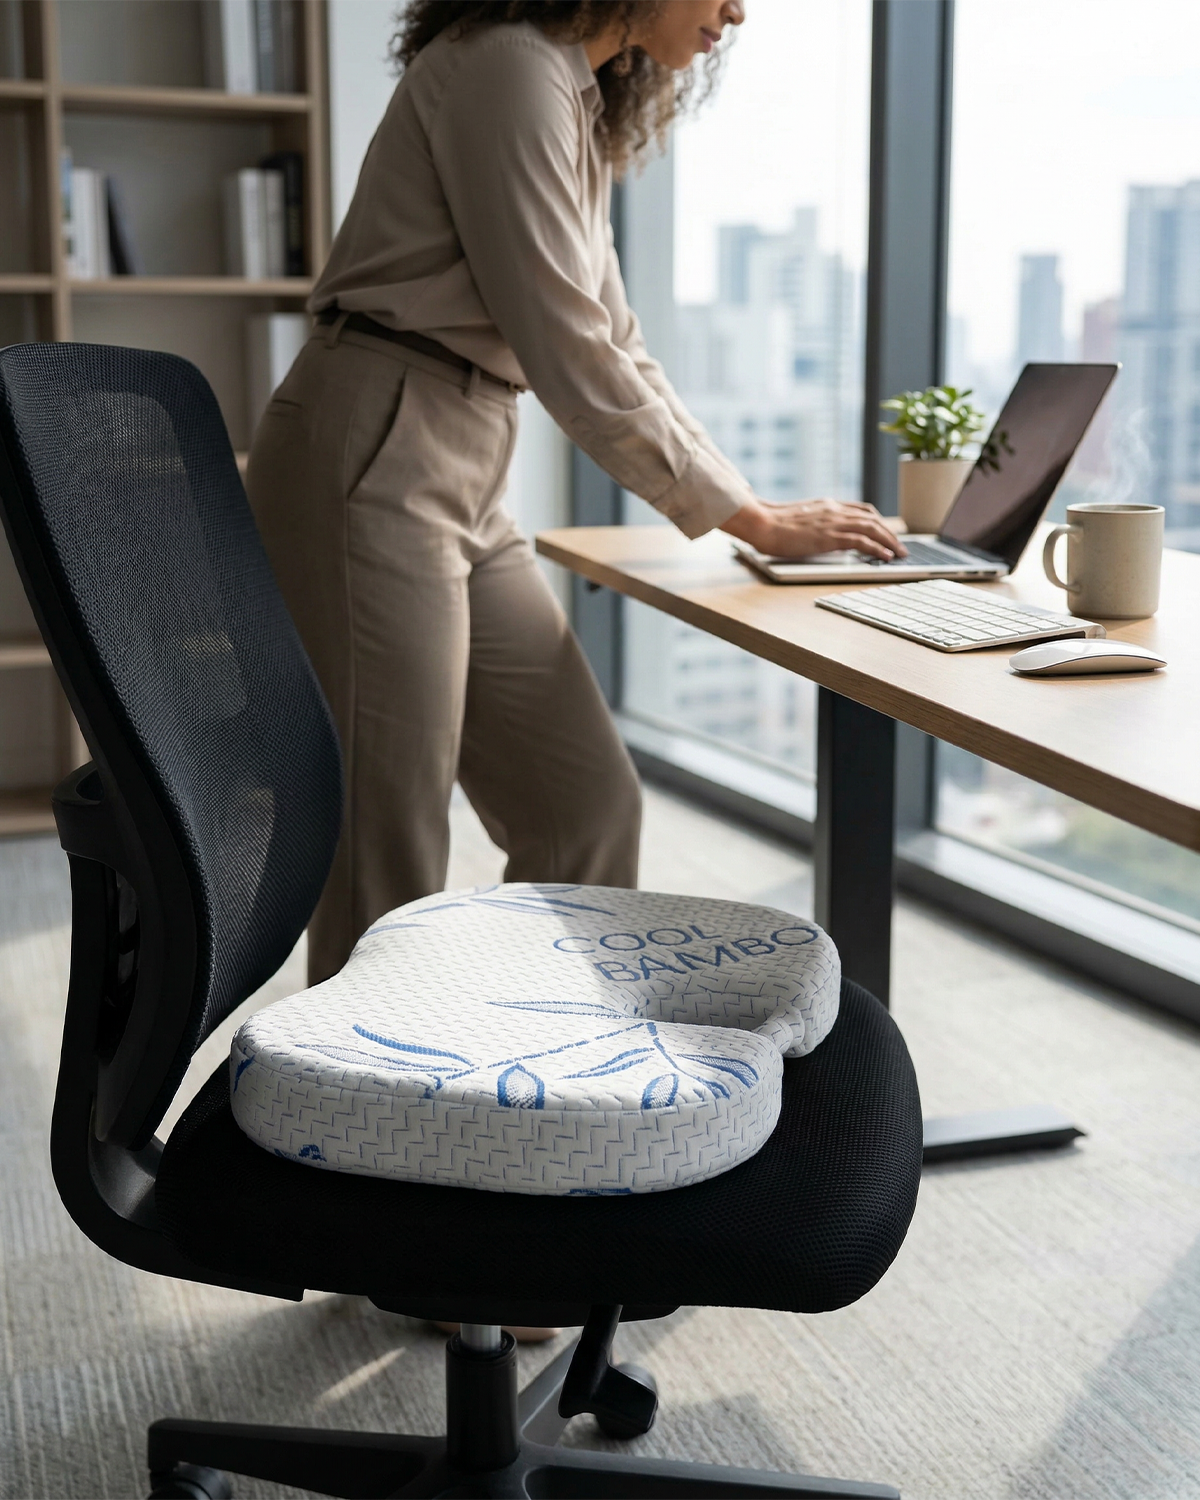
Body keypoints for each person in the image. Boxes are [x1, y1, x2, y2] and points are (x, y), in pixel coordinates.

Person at [247, 0, 905, 989]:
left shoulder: (570, 94)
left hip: (465, 457)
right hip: (378, 443)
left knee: (585, 805)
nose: (738, 10)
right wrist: (751, 519)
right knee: (388, 854)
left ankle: (543, 1063)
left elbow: (619, 343)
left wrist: (748, 505)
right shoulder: (510, 69)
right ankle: (367, 1129)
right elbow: (567, 344)